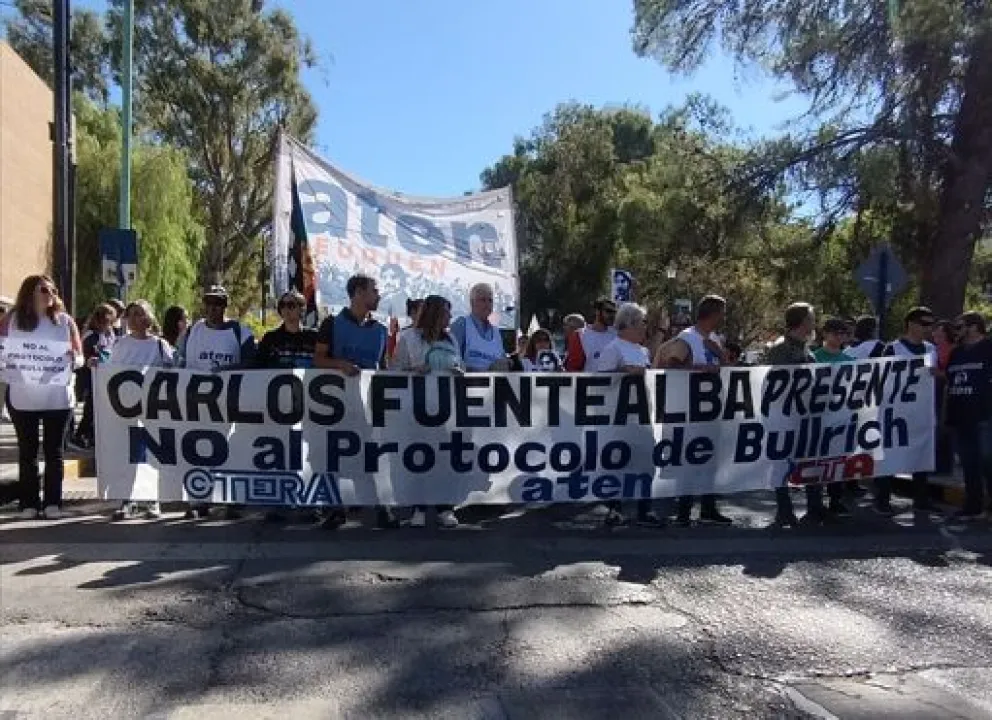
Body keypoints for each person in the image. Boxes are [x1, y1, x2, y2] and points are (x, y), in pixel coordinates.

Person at [315, 274, 398, 529]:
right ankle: (334, 508)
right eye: (375, 290)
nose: (379, 295)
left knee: (373, 457)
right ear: (359, 293)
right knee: (334, 456)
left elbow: (382, 367)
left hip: (369, 405)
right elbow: (318, 360)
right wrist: (339, 364)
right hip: (336, 404)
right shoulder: (331, 324)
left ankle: (382, 507)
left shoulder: (381, 330)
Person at [0, 275, 82, 519]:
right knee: (28, 452)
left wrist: (72, 360)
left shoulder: (65, 322)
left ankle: (53, 503)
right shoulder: (11, 320)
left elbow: (78, 356)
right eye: (44, 290)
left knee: (54, 452)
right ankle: (29, 504)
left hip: (57, 397)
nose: (50, 294)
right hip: (23, 397)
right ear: (30, 293)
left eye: (53, 290)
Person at [175, 285, 256, 519]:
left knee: (231, 451)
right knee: (198, 450)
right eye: (209, 303)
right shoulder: (192, 332)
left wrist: (227, 370)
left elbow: (252, 361)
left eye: (219, 303)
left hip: (230, 403)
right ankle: (199, 499)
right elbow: (178, 360)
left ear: (225, 306)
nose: (213, 308)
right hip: (196, 403)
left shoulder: (240, 331)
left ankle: (232, 499)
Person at [763, 302, 846, 526]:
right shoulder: (781, 348)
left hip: (806, 415)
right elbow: (778, 384)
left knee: (812, 459)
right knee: (781, 462)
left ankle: (815, 507)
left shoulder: (805, 347)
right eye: (811, 318)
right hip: (785, 414)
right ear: (802, 322)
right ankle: (784, 510)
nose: (814, 323)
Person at [653, 295, 733, 527]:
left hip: (710, 409)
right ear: (714, 313)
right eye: (722, 312)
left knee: (710, 460)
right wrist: (703, 369)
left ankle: (708, 508)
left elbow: (725, 368)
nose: (724, 317)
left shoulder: (713, 338)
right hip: (689, 410)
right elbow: (672, 366)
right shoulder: (687, 338)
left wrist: (718, 355)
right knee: (688, 460)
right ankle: (684, 512)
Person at [389, 294, 463, 529]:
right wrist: (413, 370)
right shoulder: (409, 337)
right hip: (417, 409)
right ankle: (418, 509)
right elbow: (395, 371)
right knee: (419, 459)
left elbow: (460, 365)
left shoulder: (451, 339)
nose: (450, 317)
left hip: (445, 410)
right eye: (447, 312)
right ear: (436, 314)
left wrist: (459, 372)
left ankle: (444, 508)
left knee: (443, 459)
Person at [594, 302, 664, 528]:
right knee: (618, 463)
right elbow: (599, 382)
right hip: (619, 418)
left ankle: (645, 509)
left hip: (643, 416)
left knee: (646, 462)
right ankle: (614, 509)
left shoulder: (642, 351)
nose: (646, 327)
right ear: (630, 324)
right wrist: (624, 372)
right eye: (643, 323)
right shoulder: (613, 349)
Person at [108, 300, 174, 520]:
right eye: (134, 314)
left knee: (152, 457)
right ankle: (127, 499)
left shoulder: (159, 345)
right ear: (127, 319)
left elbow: (172, 371)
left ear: (150, 318)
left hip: (153, 410)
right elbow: (109, 373)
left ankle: (152, 500)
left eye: (143, 314)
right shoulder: (119, 344)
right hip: (125, 411)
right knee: (128, 457)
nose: (139, 319)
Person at [874, 307, 940, 514]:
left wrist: (935, 374)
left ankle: (921, 499)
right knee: (889, 455)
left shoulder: (931, 349)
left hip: (921, 412)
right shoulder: (892, 349)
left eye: (931, 324)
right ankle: (882, 500)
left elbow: (932, 379)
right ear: (911, 324)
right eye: (924, 323)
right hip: (896, 412)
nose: (928, 328)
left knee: (922, 453)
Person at [944, 311, 992, 521]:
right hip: (961, 416)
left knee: (987, 461)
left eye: (960, 326)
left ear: (973, 327)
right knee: (969, 463)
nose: (956, 331)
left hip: (985, 416)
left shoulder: (989, 348)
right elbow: (949, 381)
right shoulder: (957, 353)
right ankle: (973, 506)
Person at [448, 283, 508, 372]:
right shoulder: (461, 325)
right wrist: (484, 372)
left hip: (493, 384)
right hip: (467, 384)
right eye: (483, 300)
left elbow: (502, 363)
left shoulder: (496, 332)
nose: (487, 304)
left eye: (490, 300)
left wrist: (507, 363)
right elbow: (451, 363)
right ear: (472, 302)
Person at [256, 290, 318, 370]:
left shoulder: (314, 337)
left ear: (301, 309)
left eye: (291, 305)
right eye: (282, 305)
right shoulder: (270, 338)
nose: (286, 309)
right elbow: (259, 365)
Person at [565, 298, 617, 371]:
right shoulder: (580, 335)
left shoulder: (617, 335)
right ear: (597, 311)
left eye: (614, 312)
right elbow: (573, 367)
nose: (612, 315)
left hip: (614, 382)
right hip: (590, 381)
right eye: (608, 311)